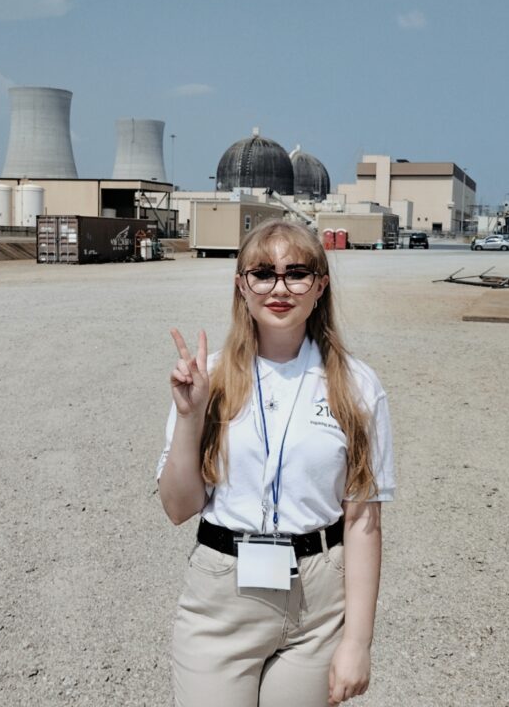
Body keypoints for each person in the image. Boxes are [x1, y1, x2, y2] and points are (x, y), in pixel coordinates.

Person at [157, 220, 395, 706]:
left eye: (297, 273)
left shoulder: (357, 386)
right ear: (241, 285)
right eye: (263, 273)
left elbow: (363, 519)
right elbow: (179, 508)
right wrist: (190, 416)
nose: (279, 288)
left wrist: (358, 642)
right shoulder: (211, 377)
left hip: (318, 602)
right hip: (222, 600)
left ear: (320, 285)